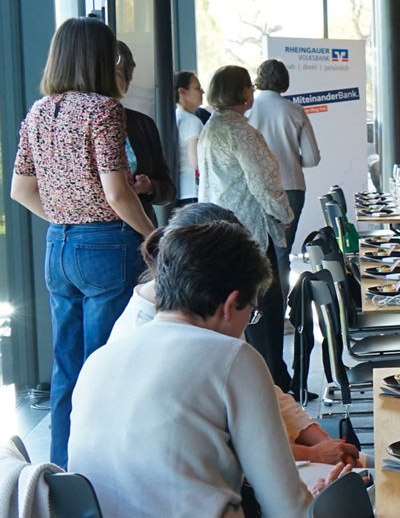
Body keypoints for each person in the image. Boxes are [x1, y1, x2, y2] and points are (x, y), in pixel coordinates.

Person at [68, 220, 349, 517]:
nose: (248, 323)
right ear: (229, 305)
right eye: (251, 311)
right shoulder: (232, 356)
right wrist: (319, 502)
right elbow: (288, 510)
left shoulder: (99, 360)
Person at [106, 203, 361, 468]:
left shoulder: (204, 309)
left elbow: (264, 388)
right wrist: (313, 455)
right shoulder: (146, 339)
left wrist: (321, 442)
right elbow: (226, 451)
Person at [9, 17, 156, 468]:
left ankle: (62, 474)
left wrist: (66, 215)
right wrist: (154, 235)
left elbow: (20, 189)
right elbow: (117, 192)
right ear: (99, 57)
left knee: (67, 370)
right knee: (104, 369)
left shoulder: (39, 110)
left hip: (58, 246)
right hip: (105, 247)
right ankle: (103, 475)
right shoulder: (103, 110)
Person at [199, 65, 295, 392]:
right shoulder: (240, 131)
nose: (252, 92)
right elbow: (262, 180)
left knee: (246, 313)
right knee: (264, 312)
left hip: (220, 228)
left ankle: (267, 383)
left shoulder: (212, 127)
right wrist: (283, 212)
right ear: (241, 93)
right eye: (249, 88)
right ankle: (274, 386)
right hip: (249, 231)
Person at [247, 59, 321, 263]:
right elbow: (312, 158)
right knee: (282, 254)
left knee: (257, 255)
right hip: (291, 186)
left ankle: (258, 295)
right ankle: (283, 295)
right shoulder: (295, 111)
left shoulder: (246, 112)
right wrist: (290, 159)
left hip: (256, 188)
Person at [115, 41, 176, 226]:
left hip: (140, 230)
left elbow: (168, 191)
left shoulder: (142, 124)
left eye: (116, 74)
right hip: (97, 232)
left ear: (126, 84)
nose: (106, 79)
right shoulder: (76, 123)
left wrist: (149, 187)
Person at [174, 71, 204, 207]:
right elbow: (196, 161)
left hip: (179, 190)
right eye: (197, 88)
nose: (202, 92)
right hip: (193, 192)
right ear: (182, 91)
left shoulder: (175, 117)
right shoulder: (192, 121)